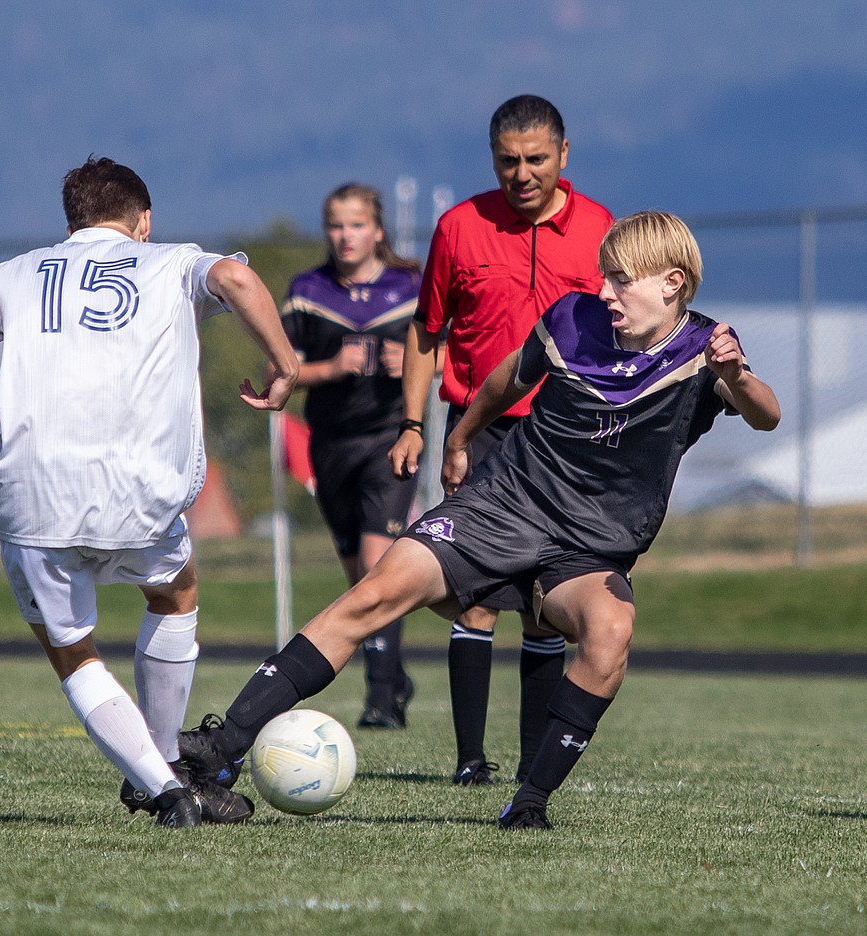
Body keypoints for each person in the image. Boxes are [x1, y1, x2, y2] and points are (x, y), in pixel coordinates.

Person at [178, 210, 781, 830]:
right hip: (502, 506)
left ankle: (529, 803)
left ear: (671, 283)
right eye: (604, 277)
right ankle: (220, 748)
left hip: (589, 550)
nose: (604, 292)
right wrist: (461, 438)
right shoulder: (571, 320)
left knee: (610, 633)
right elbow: (504, 379)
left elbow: (766, 413)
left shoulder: (706, 352)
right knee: (373, 593)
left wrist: (734, 374)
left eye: (620, 280)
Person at [0, 156, 300, 829]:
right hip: (139, 490)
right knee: (175, 594)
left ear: (73, 222)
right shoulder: (171, 260)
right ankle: (166, 767)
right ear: (143, 222)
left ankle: (161, 786)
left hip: (32, 494)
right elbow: (234, 275)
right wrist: (286, 364)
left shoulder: (18, 274)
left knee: (74, 652)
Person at [388, 94, 614, 786]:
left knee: (547, 610)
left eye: (536, 159)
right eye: (508, 161)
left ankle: (529, 767)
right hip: (478, 433)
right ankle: (468, 762)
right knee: (476, 596)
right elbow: (427, 332)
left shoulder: (601, 229)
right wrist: (414, 424)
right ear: (493, 159)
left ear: (564, 156)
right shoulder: (459, 227)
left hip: (566, 442)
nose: (522, 173)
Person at [280, 183, 424, 729]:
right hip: (330, 444)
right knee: (357, 578)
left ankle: (381, 700)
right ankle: (397, 674)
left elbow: (444, 355)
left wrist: (407, 362)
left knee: (375, 566)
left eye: (357, 224)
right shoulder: (307, 290)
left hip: (391, 439)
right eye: (336, 226)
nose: (346, 236)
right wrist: (332, 368)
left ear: (378, 230)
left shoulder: (410, 286)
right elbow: (285, 375)